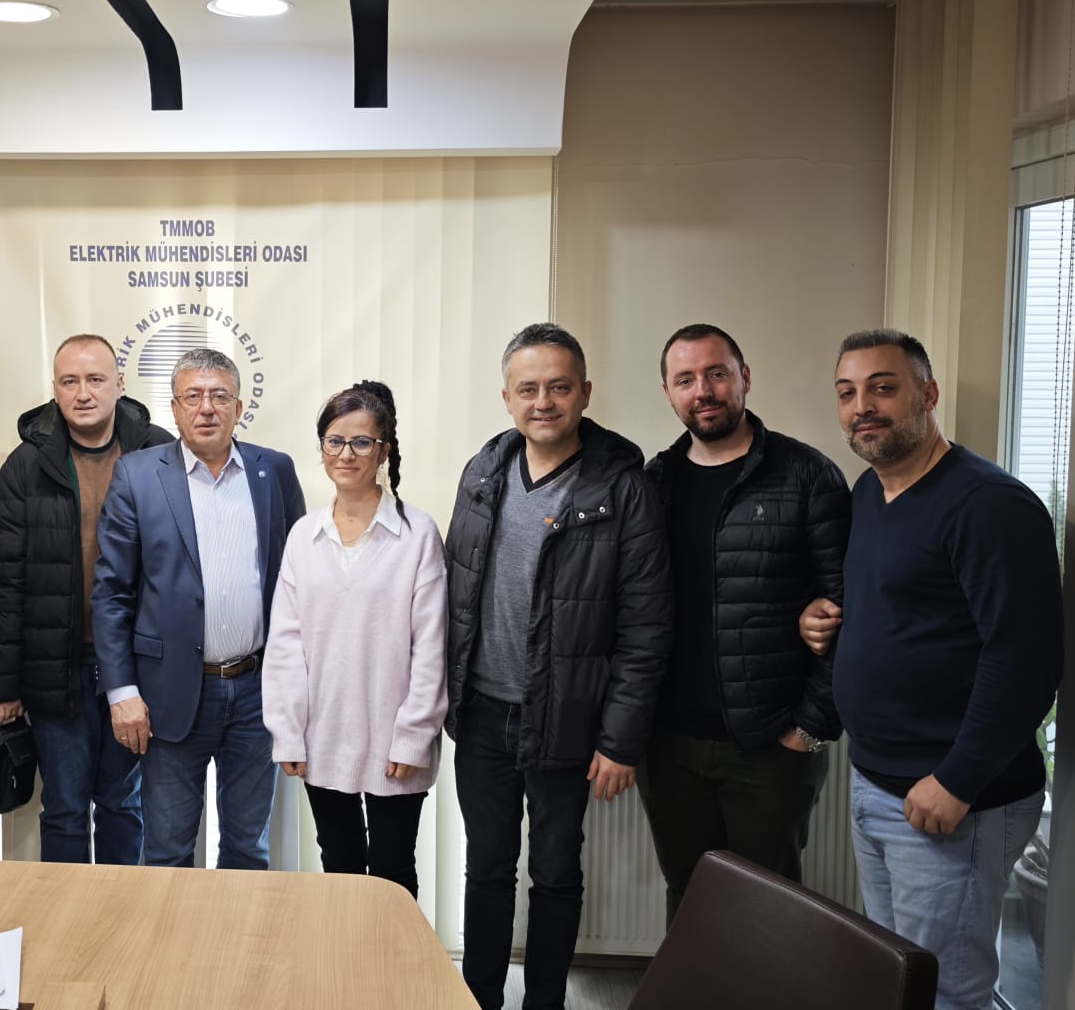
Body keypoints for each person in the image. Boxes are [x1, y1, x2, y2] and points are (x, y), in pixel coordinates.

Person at [799, 330, 1062, 1010]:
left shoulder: (989, 505)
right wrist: (827, 622)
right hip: (877, 783)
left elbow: (1026, 660)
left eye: (883, 388)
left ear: (928, 394)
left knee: (949, 993)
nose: (863, 407)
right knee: (901, 978)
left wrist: (957, 780)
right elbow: (909, 610)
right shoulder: (870, 492)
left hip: (953, 800)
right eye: (847, 393)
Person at [444, 322, 672, 1010]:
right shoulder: (483, 473)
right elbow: (456, 593)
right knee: (486, 870)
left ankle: (545, 1002)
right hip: (482, 716)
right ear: (507, 398)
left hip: (567, 720)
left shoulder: (625, 488)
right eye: (528, 389)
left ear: (585, 393)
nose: (543, 401)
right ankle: (478, 998)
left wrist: (620, 740)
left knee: (554, 874)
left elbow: (646, 625)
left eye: (558, 387)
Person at [637, 324, 848, 925]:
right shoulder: (654, 483)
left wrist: (808, 730)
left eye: (716, 373)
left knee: (767, 915)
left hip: (769, 747)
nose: (702, 391)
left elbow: (844, 608)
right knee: (690, 903)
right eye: (685, 380)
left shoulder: (807, 475)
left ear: (744, 378)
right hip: (669, 746)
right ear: (668, 393)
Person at [92, 347, 304, 870]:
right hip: (169, 693)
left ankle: (240, 931)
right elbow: (112, 591)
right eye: (193, 396)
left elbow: (297, 582)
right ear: (174, 407)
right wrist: (122, 692)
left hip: (256, 692)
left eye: (219, 396)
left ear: (239, 406)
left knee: (248, 849)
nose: (206, 407)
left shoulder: (273, 471)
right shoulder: (137, 475)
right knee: (167, 852)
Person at [0, 335, 172, 864]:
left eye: (95, 379)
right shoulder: (26, 464)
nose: (83, 393)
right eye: (70, 381)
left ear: (120, 384)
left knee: (123, 804)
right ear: (55, 388)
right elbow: (7, 580)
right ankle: (63, 915)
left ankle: (120, 912)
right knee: (64, 810)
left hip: (135, 668)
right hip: (54, 669)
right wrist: (3, 684)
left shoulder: (158, 451)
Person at [262, 381, 445, 896]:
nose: (347, 454)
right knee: (339, 868)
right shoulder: (304, 536)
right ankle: (344, 955)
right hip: (323, 738)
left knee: (392, 872)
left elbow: (431, 648)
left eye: (362, 442)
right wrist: (287, 731)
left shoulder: (417, 534)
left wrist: (414, 735)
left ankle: (391, 955)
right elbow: (285, 646)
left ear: (384, 451)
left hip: (394, 740)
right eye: (335, 441)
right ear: (322, 448)